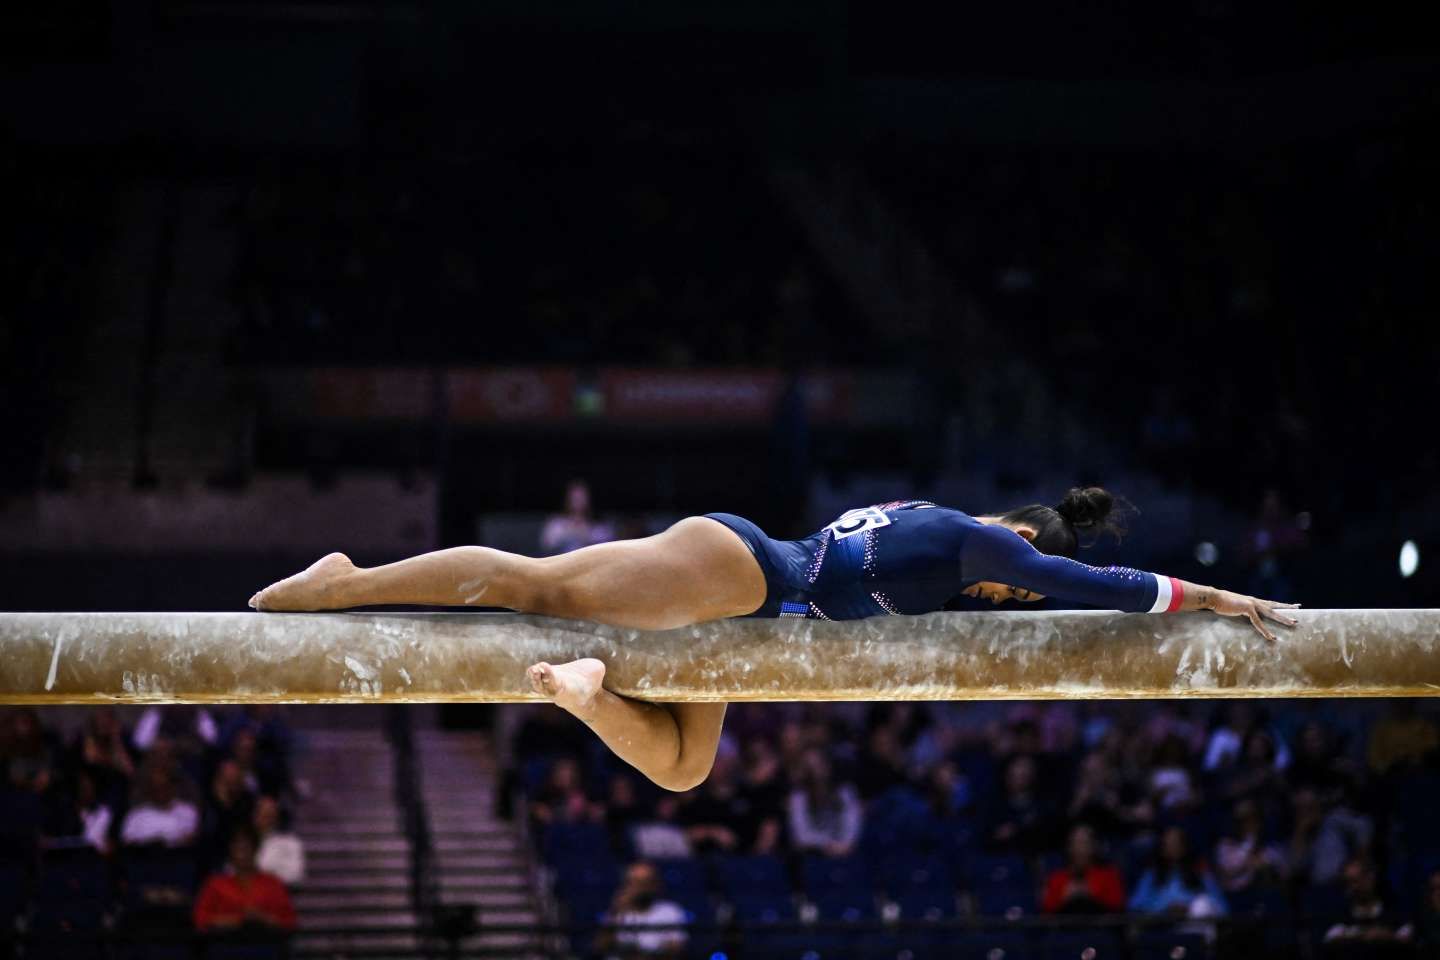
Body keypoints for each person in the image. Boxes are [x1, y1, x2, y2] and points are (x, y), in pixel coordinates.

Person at [249, 487, 1300, 792]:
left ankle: (581, 691)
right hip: (744, 574)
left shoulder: (947, 537)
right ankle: (348, 584)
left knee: (685, 767)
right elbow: (1088, 583)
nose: (1014, 598)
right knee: (531, 584)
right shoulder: (982, 540)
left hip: (754, 625)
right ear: (1020, 534)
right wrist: (1208, 596)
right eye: (1017, 578)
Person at [193, 825, 298, 933]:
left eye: (246, 845)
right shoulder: (215, 884)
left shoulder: (273, 884)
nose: (242, 850)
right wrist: (235, 920)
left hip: (264, 944)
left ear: (255, 849)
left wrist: (263, 919)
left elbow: (290, 922)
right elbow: (200, 920)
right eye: (237, 845)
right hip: (224, 945)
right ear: (230, 850)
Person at [594, 861, 687, 960]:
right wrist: (615, 913)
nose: (641, 888)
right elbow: (600, 947)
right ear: (626, 884)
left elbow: (675, 950)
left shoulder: (670, 911)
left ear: (655, 885)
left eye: (646, 882)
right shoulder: (617, 911)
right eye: (635, 882)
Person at [1128, 825, 1228, 917]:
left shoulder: (1199, 872)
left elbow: (1222, 907)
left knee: (1202, 904)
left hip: (1193, 922)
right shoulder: (1152, 875)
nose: (1172, 847)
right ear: (1162, 848)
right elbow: (1135, 906)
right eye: (1168, 843)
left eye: (1176, 843)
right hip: (1161, 924)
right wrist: (1165, 909)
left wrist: (1188, 906)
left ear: (1184, 846)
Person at [786, 749, 862, 859]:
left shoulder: (845, 792)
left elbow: (852, 826)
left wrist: (844, 845)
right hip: (812, 857)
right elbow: (801, 836)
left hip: (846, 854)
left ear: (828, 765)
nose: (816, 771)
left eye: (819, 764)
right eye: (810, 767)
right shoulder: (798, 797)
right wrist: (827, 845)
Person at [1041, 824, 1126, 914]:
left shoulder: (1109, 876)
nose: (1080, 849)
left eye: (1085, 843)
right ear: (1069, 847)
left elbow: (1118, 908)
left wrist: (1090, 896)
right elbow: (1046, 911)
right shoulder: (1057, 878)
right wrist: (1065, 898)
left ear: (1094, 846)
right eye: (1076, 843)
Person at [540, 479, 616, 555]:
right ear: (568, 499)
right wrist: (569, 532)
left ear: (588, 499)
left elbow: (607, 547)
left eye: (581, 497)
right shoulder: (557, 523)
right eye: (574, 498)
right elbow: (546, 545)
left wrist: (585, 535)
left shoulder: (598, 525)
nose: (578, 501)